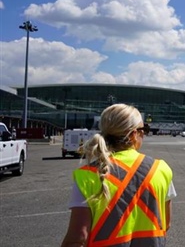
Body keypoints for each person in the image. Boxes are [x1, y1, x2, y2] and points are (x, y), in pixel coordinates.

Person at [61, 103, 176, 247]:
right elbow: (166, 223)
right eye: (143, 129)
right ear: (134, 134)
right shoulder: (161, 169)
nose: (144, 134)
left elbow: (78, 238)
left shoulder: (87, 175)